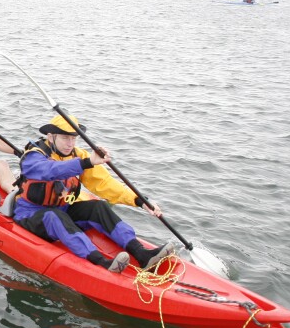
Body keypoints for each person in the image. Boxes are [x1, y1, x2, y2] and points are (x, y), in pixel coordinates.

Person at [13, 114, 177, 273]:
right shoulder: (33, 156)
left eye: (73, 138)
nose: (70, 143)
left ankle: (141, 253)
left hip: (63, 210)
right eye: (65, 138)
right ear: (50, 137)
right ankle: (100, 262)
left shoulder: (78, 154)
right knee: (53, 216)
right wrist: (87, 163)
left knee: (98, 206)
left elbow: (105, 184)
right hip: (30, 215)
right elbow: (51, 171)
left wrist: (140, 201)